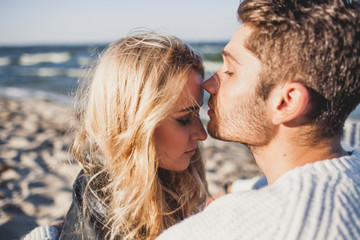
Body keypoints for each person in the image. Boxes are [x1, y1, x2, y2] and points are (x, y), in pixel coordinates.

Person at [157, 0, 360, 239]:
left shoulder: (211, 232)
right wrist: (234, 190)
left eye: (230, 71)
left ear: (286, 102)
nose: (209, 84)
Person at [25, 32, 209, 240]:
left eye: (197, 113)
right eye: (184, 119)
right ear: (135, 121)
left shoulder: (168, 176)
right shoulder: (105, 206)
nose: (202, 134)